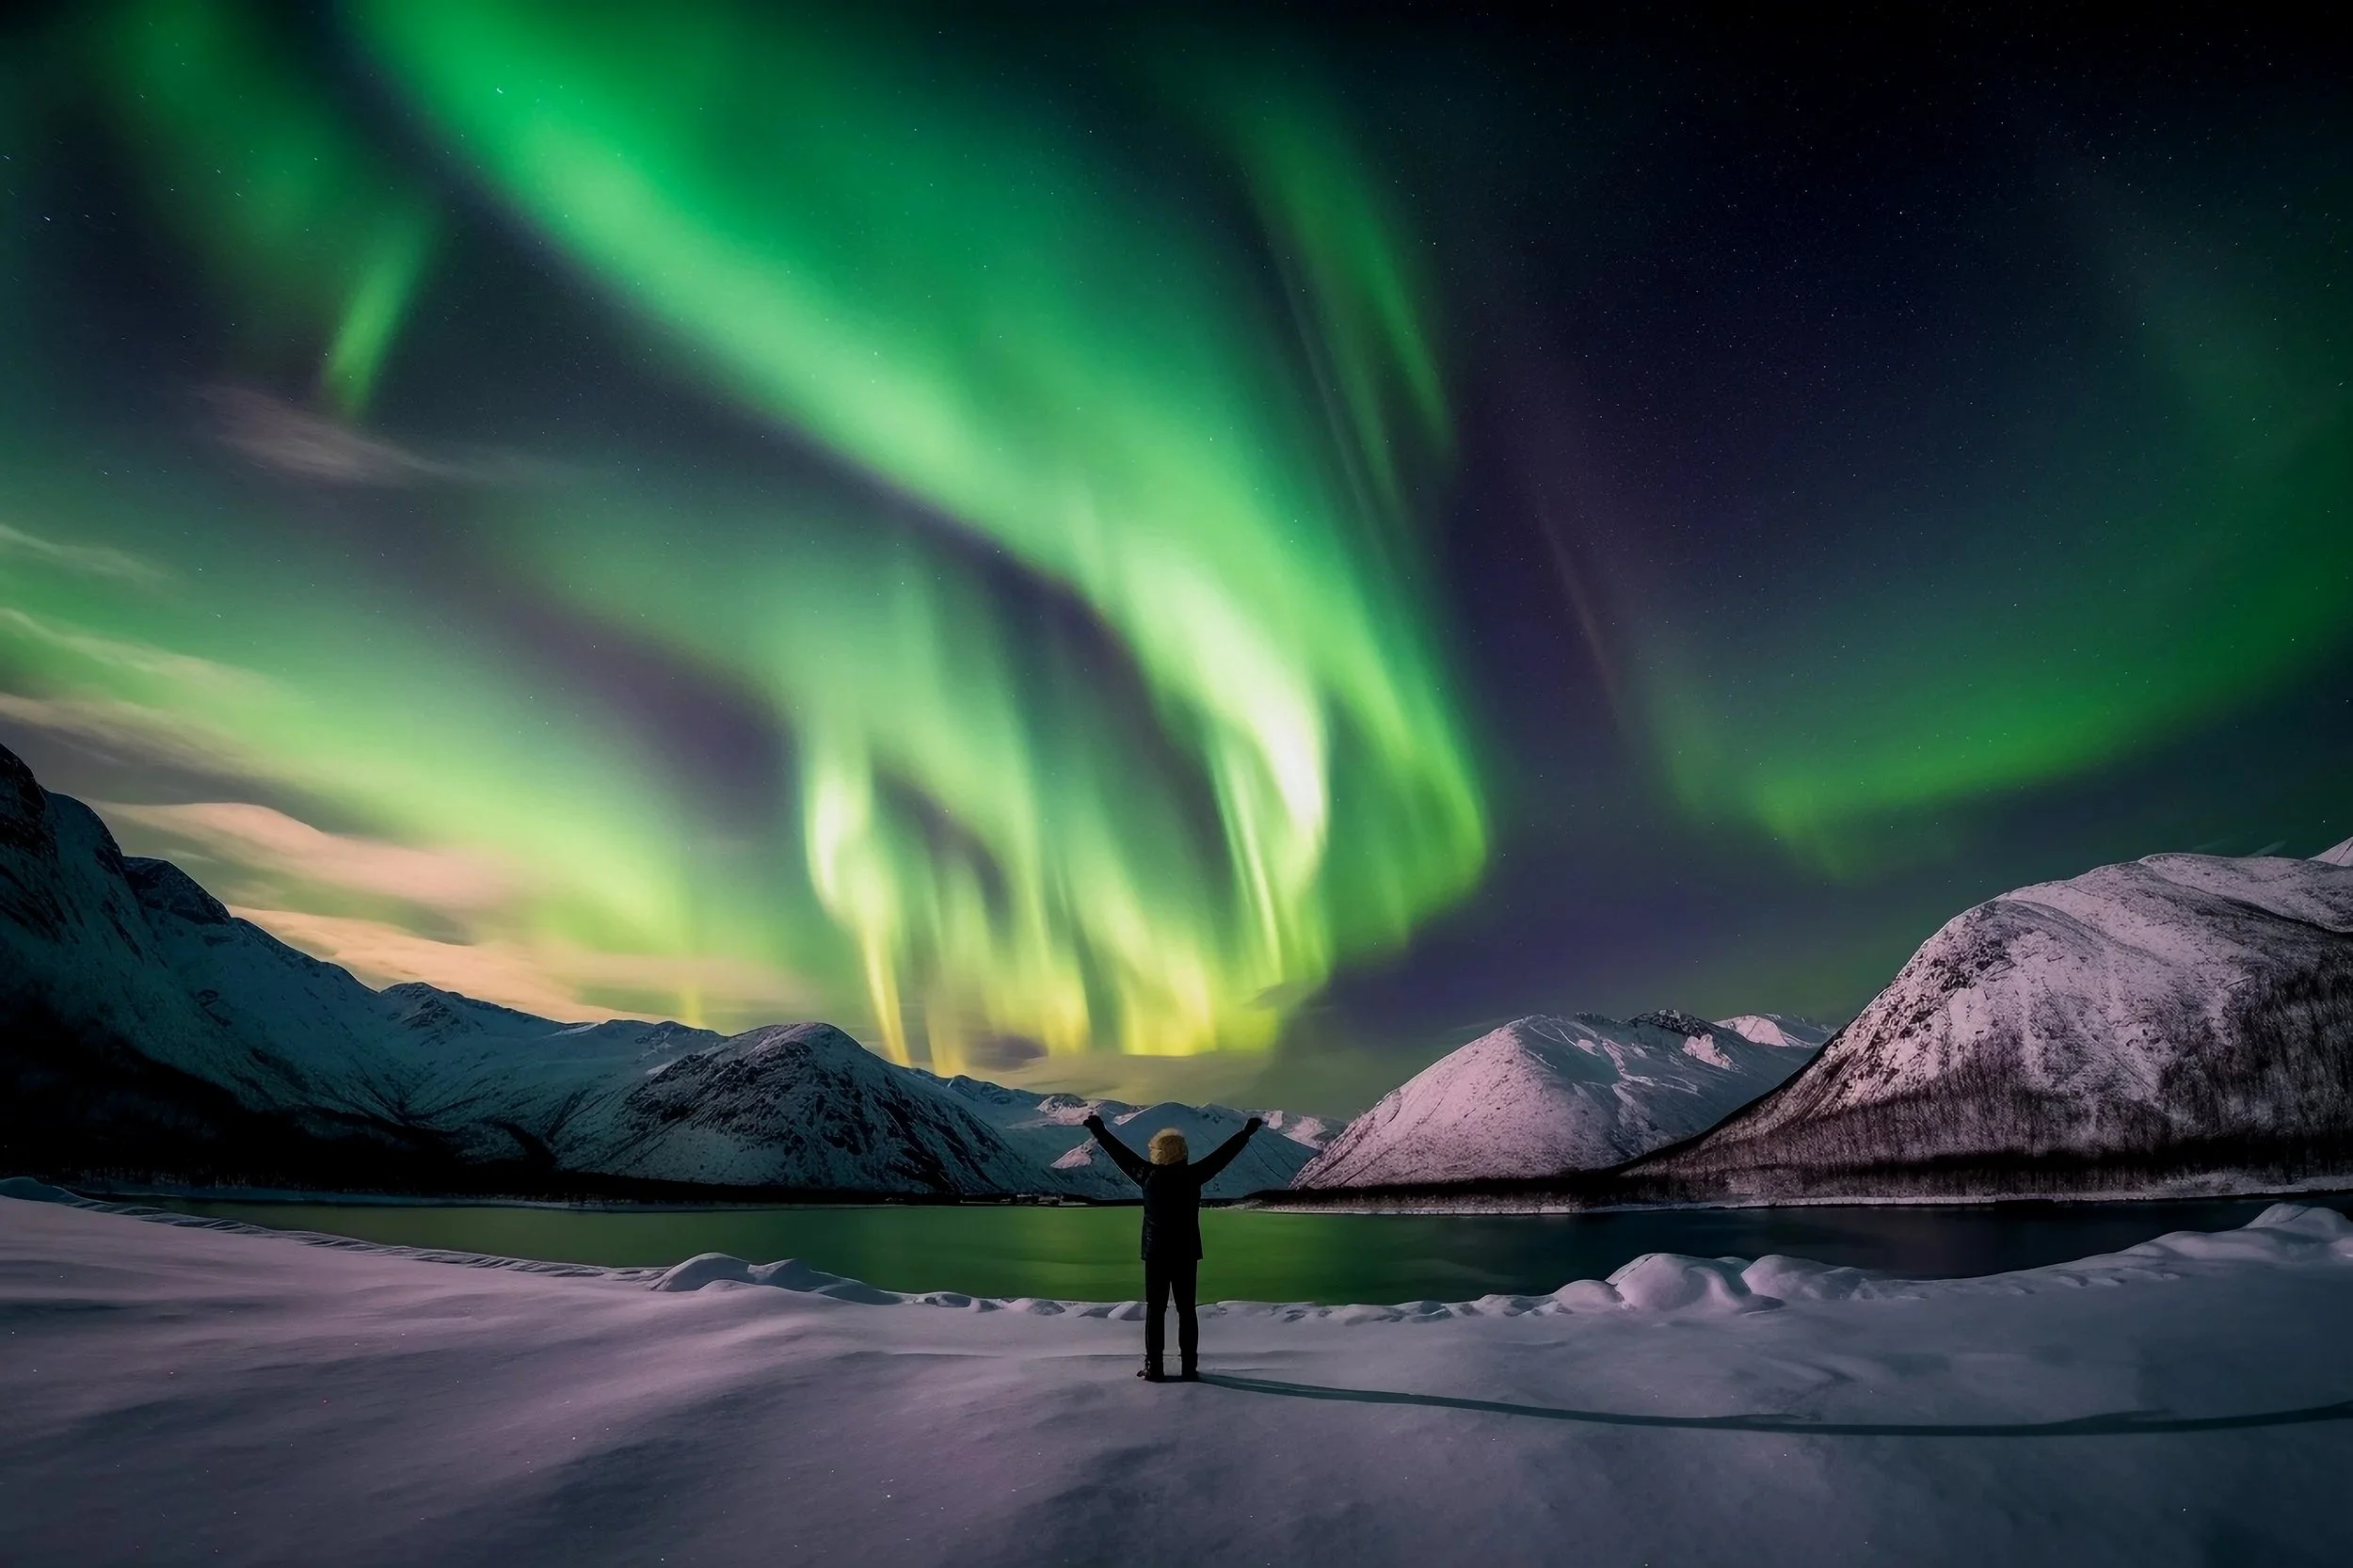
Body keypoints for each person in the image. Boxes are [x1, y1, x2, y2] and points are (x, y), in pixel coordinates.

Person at [1081, 1111, 1262, 1383]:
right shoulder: (1194, 1175)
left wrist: (1100, 1131)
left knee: (1155, 1310)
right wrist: (1245, 1133)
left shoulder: (1146, 1174)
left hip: (1155, 1253)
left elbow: (1119, 1153)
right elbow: (1223, 1156)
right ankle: (1189, 1368)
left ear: (1157, 1151)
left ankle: (1155, 1368)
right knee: (1187, 1310)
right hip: (1186, 1252)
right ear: (1183, 1152)